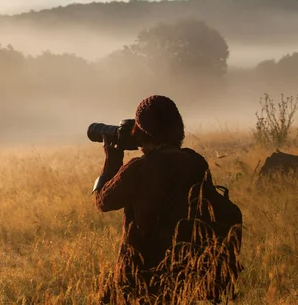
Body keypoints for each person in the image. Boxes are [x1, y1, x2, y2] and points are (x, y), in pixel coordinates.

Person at [91, 95, 235, 303]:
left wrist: (111, 161)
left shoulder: (139, 168)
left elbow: (103, 202)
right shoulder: (195, 161)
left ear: (141, 131)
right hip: (187, 268)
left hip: (142, 273)